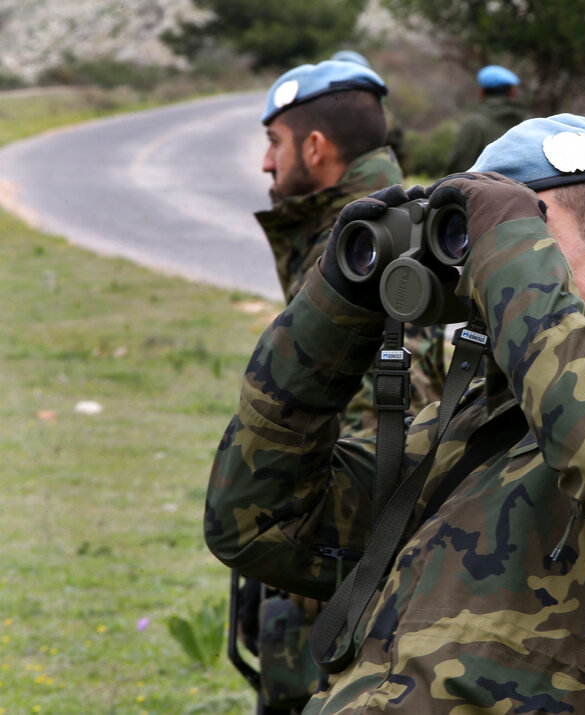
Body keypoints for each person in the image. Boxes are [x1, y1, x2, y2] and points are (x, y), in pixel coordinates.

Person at [206, 113, 585, 714]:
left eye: (525, 233)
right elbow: (259, 522)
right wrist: (335, 306)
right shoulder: (465, 427)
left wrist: (506, 242)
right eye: (472, 239)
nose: (484, 264)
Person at [240, 59, 447, 713]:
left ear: (316, 147)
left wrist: (303, 568)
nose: (268, 165)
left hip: (342, 587)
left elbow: (384, 421)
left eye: (274, 144)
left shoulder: (360, 252)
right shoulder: (381, 230)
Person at [445, 64, 528, 174]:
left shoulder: (474, 123)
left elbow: (458, 167)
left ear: (481, 92)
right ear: (512, 93)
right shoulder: (526, 124)